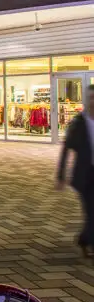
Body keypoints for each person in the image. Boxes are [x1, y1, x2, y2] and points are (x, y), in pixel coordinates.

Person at [57, 85, 94, 258]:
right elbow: (66, 149)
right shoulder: (78, 123)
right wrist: (61, 175)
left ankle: (85, 238)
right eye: (91, 98)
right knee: (92, 210)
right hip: (85, 176)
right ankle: (88, 240)